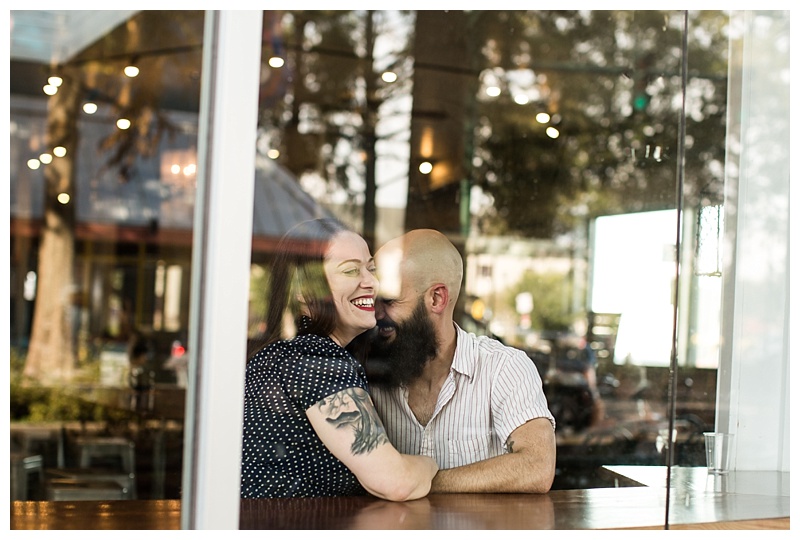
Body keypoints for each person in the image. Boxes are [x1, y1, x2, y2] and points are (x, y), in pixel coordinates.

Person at [240, 218, 438, 501]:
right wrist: (431, 464)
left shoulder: (281, 355)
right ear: (303, 290)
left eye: (370, 269)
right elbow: (396, 482)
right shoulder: (317, 361)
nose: (371, 282)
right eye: (350, 271)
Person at [362, 228, 556, 493]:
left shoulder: (503, 368)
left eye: (390, 300)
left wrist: (417, 483)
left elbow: (537, 467)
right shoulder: (364, 370)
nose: (375, 315)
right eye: (373, 301)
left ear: (437, 298)